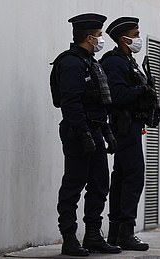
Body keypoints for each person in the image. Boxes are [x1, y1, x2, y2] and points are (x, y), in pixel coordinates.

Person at [50, 13, 121, 256]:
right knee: (73, 185)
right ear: (89, 37)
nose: (101, 40)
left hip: (95, 129)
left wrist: (107, 133)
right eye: (99, 36)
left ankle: (93, 235)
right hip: (77, 132)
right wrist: (83, 134)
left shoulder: (91, 61)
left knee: (100, 184)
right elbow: (71, 104)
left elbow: (99, 104)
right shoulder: (71, 63)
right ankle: (69, 238)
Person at [101, 16, 156, 251]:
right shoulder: (115, 62)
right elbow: (117, 95)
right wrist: (141, 90)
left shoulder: (128, 60)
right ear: (123, 38)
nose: (138, 38)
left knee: (124, 178)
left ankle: (117, 232)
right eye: (135, 35)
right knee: (132, 177)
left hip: (132, 126)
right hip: (124, 127)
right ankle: (124, 231)